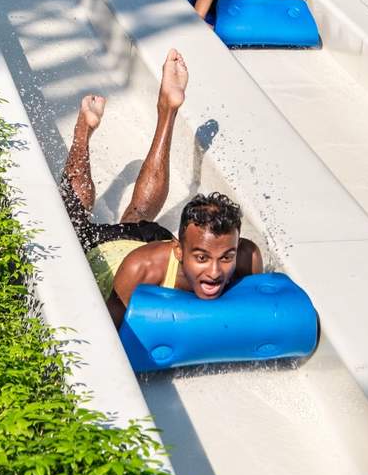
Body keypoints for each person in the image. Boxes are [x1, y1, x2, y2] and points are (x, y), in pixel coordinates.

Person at [59, 48, 263, 327]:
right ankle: (83, 132)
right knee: (71, 214)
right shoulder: (139, 272)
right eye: (202, 257)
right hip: (104, 249)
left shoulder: (247, 257)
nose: (215, 272)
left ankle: (168, 109)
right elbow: (105, 335)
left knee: (139, 214)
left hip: (149, 238)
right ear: (178, 250)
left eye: (226, 256)